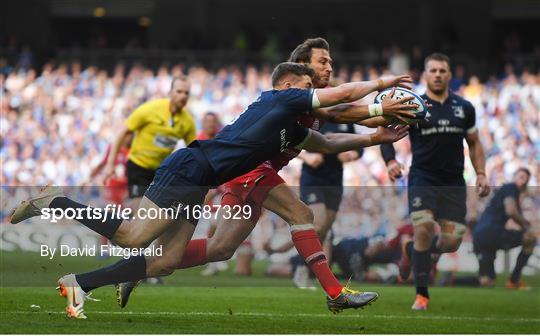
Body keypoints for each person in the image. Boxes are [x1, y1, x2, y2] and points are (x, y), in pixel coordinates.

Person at [11, 62, 413, 319]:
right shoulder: (280, 98)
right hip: (190, 168)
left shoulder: (289, 124)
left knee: (166, 260)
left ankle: (79, 283)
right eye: (308, 83)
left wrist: (376, 138)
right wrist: (384, 85)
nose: (314, 91)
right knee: (133, 237)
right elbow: (340, 100)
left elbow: (327, 144)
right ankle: (53, 200)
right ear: (289, 84)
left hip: (198, 177)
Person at [115, 37, 418, 307]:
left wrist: (378, 134)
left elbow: (326, 141)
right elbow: (342, 111)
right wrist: (380, 102)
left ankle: (137, 267)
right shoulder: (300, 96)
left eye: (330, 62)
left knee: (221, 248)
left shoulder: (314, 96)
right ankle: (335, 293)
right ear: (302, 66)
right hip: (254, 168)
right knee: (301, 214)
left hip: (248, 171)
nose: (328, 67)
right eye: (322, 61)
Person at [380, 53, 491, 311]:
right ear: (426, 74)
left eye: (443, 70)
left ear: (450, 75)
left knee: (451, 242)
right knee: (423, 228)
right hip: (422, 178)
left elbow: (474, 143)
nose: (438, 74)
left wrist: (482, 173)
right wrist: (390, 162)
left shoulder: (464, 108)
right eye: (433, 70)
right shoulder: (413, 105)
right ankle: (422, 295)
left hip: (453, 182)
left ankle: (413, 251)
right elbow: (386, 133)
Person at [103, 76, 196, 207]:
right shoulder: (150, 109)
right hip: (138, 167)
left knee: (153, 215)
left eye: (186, 93)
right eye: (179, 91)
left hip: (160, 172)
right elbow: (122, 133)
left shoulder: (188, 122)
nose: (183, 96)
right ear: (170, 93)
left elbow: (194, 152)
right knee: (140, 211)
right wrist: (110, 164)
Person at [473, 167, 536, 289]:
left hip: (479, 236)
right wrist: (526, 226)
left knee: (487, 281)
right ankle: (514, 280)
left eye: (526, 180)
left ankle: (451, 280)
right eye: (521, 177)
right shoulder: (511, 187)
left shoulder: (504, 190)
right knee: (530, 239)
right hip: (491, 233)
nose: (523, 181)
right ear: (514, 177)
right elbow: (511, 211)